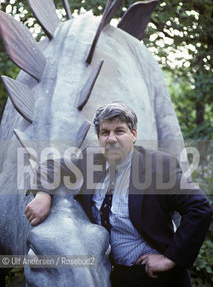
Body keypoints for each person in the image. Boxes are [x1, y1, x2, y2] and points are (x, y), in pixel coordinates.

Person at [25, 102, 212, 287]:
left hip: (155, 278)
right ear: (98, 138)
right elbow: (50, 165)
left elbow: (199, 207)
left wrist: (171, 258)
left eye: (119, 131)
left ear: (134, 135)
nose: (111, 139)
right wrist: (43, 194)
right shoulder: (90, 162)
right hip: (110, 278)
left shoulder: (159, 167)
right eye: (105, 132)